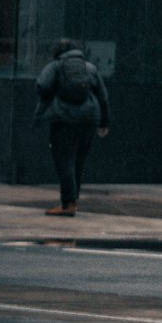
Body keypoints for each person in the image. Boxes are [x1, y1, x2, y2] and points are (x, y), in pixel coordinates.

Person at [34, 39, 110, 216]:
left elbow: (42, 86)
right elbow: (103, 96)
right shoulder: (90, 67)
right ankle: (72, 201)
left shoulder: (55, 66)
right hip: (89, 119)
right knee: (78, 162)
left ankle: (67, 204)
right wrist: (104, 122)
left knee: (64, 160)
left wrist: (55, 95)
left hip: (64, 119)